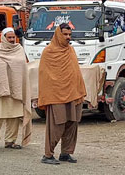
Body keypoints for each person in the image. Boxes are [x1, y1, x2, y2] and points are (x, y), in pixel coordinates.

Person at [38, 24, 86, 165]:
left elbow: (75, 72)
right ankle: (48, 155)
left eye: (69, 35)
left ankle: (66, 153)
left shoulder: (70, 50)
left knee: (72, 123)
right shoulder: (49, 52)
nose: (68, 37)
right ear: (59, 34)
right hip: (56, 95)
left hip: (73, 93)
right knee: (56, 125)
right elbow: (45, 76)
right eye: (65, 34)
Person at [0, 27, 32, 151]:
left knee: (14, 117)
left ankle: (10, 141)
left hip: (16, 88)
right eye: (10, 38)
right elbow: (0, 65)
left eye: (13, 37)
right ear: (4, 38)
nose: (12, 40)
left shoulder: (19, 49)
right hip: (2, 89)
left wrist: (10, 65)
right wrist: (12, 65)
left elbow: (21, 66)